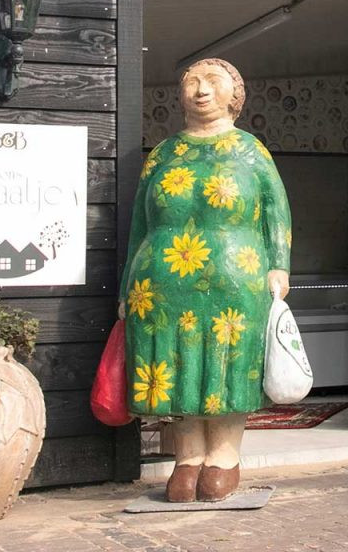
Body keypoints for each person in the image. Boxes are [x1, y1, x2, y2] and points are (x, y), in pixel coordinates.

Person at [117, 57, 291, 502]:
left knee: (229, 361)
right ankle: (188, 456)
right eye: (192, 82)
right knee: (174, 362)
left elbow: (276, 210)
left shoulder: (251, 150)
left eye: (213, 82)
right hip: (160, 280)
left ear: (235, 95)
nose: (201, 90)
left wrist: (280, 264)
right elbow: (139, 222)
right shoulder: (164, 153)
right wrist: (125, 288)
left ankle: (224, 456)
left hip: (236, 277)